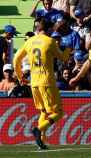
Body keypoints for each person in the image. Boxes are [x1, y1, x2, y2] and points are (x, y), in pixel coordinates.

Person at [13, 18, 70, 150]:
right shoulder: (50, 41)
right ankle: (39, 129)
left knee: (44, 111)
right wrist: (68, 49)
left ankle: (41, 142)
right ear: (48, 29)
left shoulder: (29, 41)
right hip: (47, 82)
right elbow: (63, 58)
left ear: (36, 28)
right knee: (59, 112)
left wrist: (20, 76)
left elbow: (16, 59)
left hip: (34, 83)